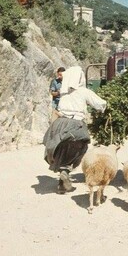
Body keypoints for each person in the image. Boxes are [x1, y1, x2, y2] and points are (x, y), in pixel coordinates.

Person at [43, 66, 107, 194]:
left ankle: (62, 183)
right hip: (75, 125)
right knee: (80, 149)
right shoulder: (83, 91)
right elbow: (99, 104)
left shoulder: (63, 92)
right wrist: (106, 106)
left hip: (60, 124)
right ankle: (65, 173)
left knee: (61, 150)